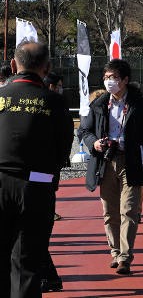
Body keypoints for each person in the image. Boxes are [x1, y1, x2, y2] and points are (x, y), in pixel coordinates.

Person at [0, 42, 73, 298]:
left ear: (12, 65)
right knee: (27, 264)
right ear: (47, 67)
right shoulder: (54, 101)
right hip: (37, 186)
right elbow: (63, 150)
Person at [77, 59, 143, 276]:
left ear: (125, 80)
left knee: (129, 210)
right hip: (105, 161)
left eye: (113, 78)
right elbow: (83, 131)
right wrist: (94, 142)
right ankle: (115, 251)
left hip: (131, 161)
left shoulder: (140, 105)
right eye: (106, 78)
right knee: (109, 212)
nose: (109, 82)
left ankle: (125, 257)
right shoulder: (99, 104)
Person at [39, 72, 68, 293]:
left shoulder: (56, 106)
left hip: (41, 179)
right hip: (38, 179)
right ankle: (49, 277)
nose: (59, 89)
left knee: (34, 233)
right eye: (57, 85)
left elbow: (64, 144)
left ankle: (48, 277)